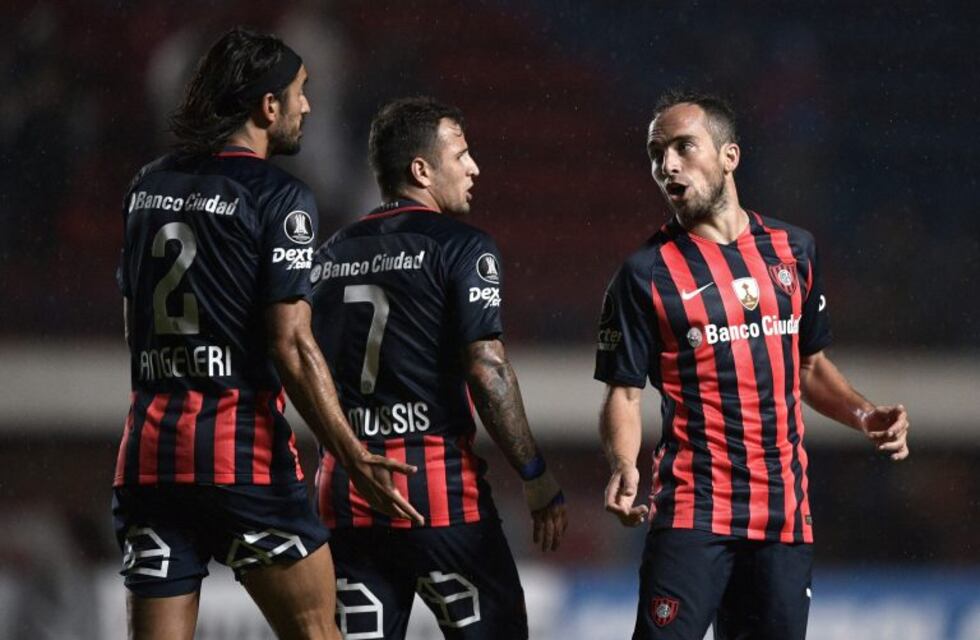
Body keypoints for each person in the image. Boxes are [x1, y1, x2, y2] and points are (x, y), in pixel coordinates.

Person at [113, 28, 422, 640]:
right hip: (240, 459)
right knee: (317, 629)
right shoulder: (280, 197)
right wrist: (349, 451)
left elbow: (135, 325)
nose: (308, 106)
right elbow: (293, 344)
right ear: (267, 105)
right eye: (301, 93)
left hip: (149, 460)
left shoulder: (146, 185)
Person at [595, 90, 910, 640]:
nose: (667, 164)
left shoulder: (795, 250)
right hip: (694, 512)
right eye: (655, 153)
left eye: (683, 147)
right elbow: (623, 393)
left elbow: (809, 366)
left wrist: (864, 414)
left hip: (783, 515)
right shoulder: (644, 274)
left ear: (729, 157)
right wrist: (624, 464)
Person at [309, 96, 568, 639]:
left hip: (345, 492)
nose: (474, 167)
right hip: (437, 494)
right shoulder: (463, 248)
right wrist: (535, 474)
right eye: (462, 154)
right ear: (421, 170)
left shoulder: (329, 254)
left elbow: (300, 358)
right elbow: (487, 370)